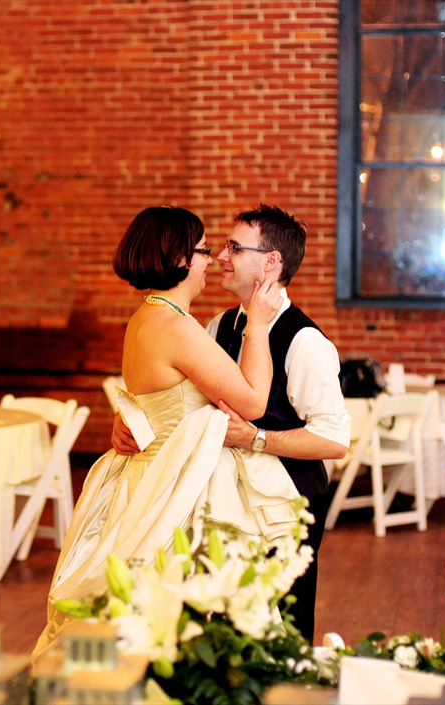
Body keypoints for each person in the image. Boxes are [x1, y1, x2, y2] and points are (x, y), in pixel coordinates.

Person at [32, 205, 301, 666]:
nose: (212, 259)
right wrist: (257, 325)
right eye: (203, 250)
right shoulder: (177, 327)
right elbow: (253, 403)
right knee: (177, 624)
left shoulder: (145, 317)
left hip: (145, 477)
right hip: (174, 492)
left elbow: (153, 401)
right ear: (181, 259)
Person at [112, 203, 350, 643]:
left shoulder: (306, 342)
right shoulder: (217, 324)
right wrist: (133, 420)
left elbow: (335, 441)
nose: (221, 256)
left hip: (285, 506)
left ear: (271, 262)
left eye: (234, 248)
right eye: (219, 247)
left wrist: (256, 438)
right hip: (221, 507)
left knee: (280, 631)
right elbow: (175, 387)